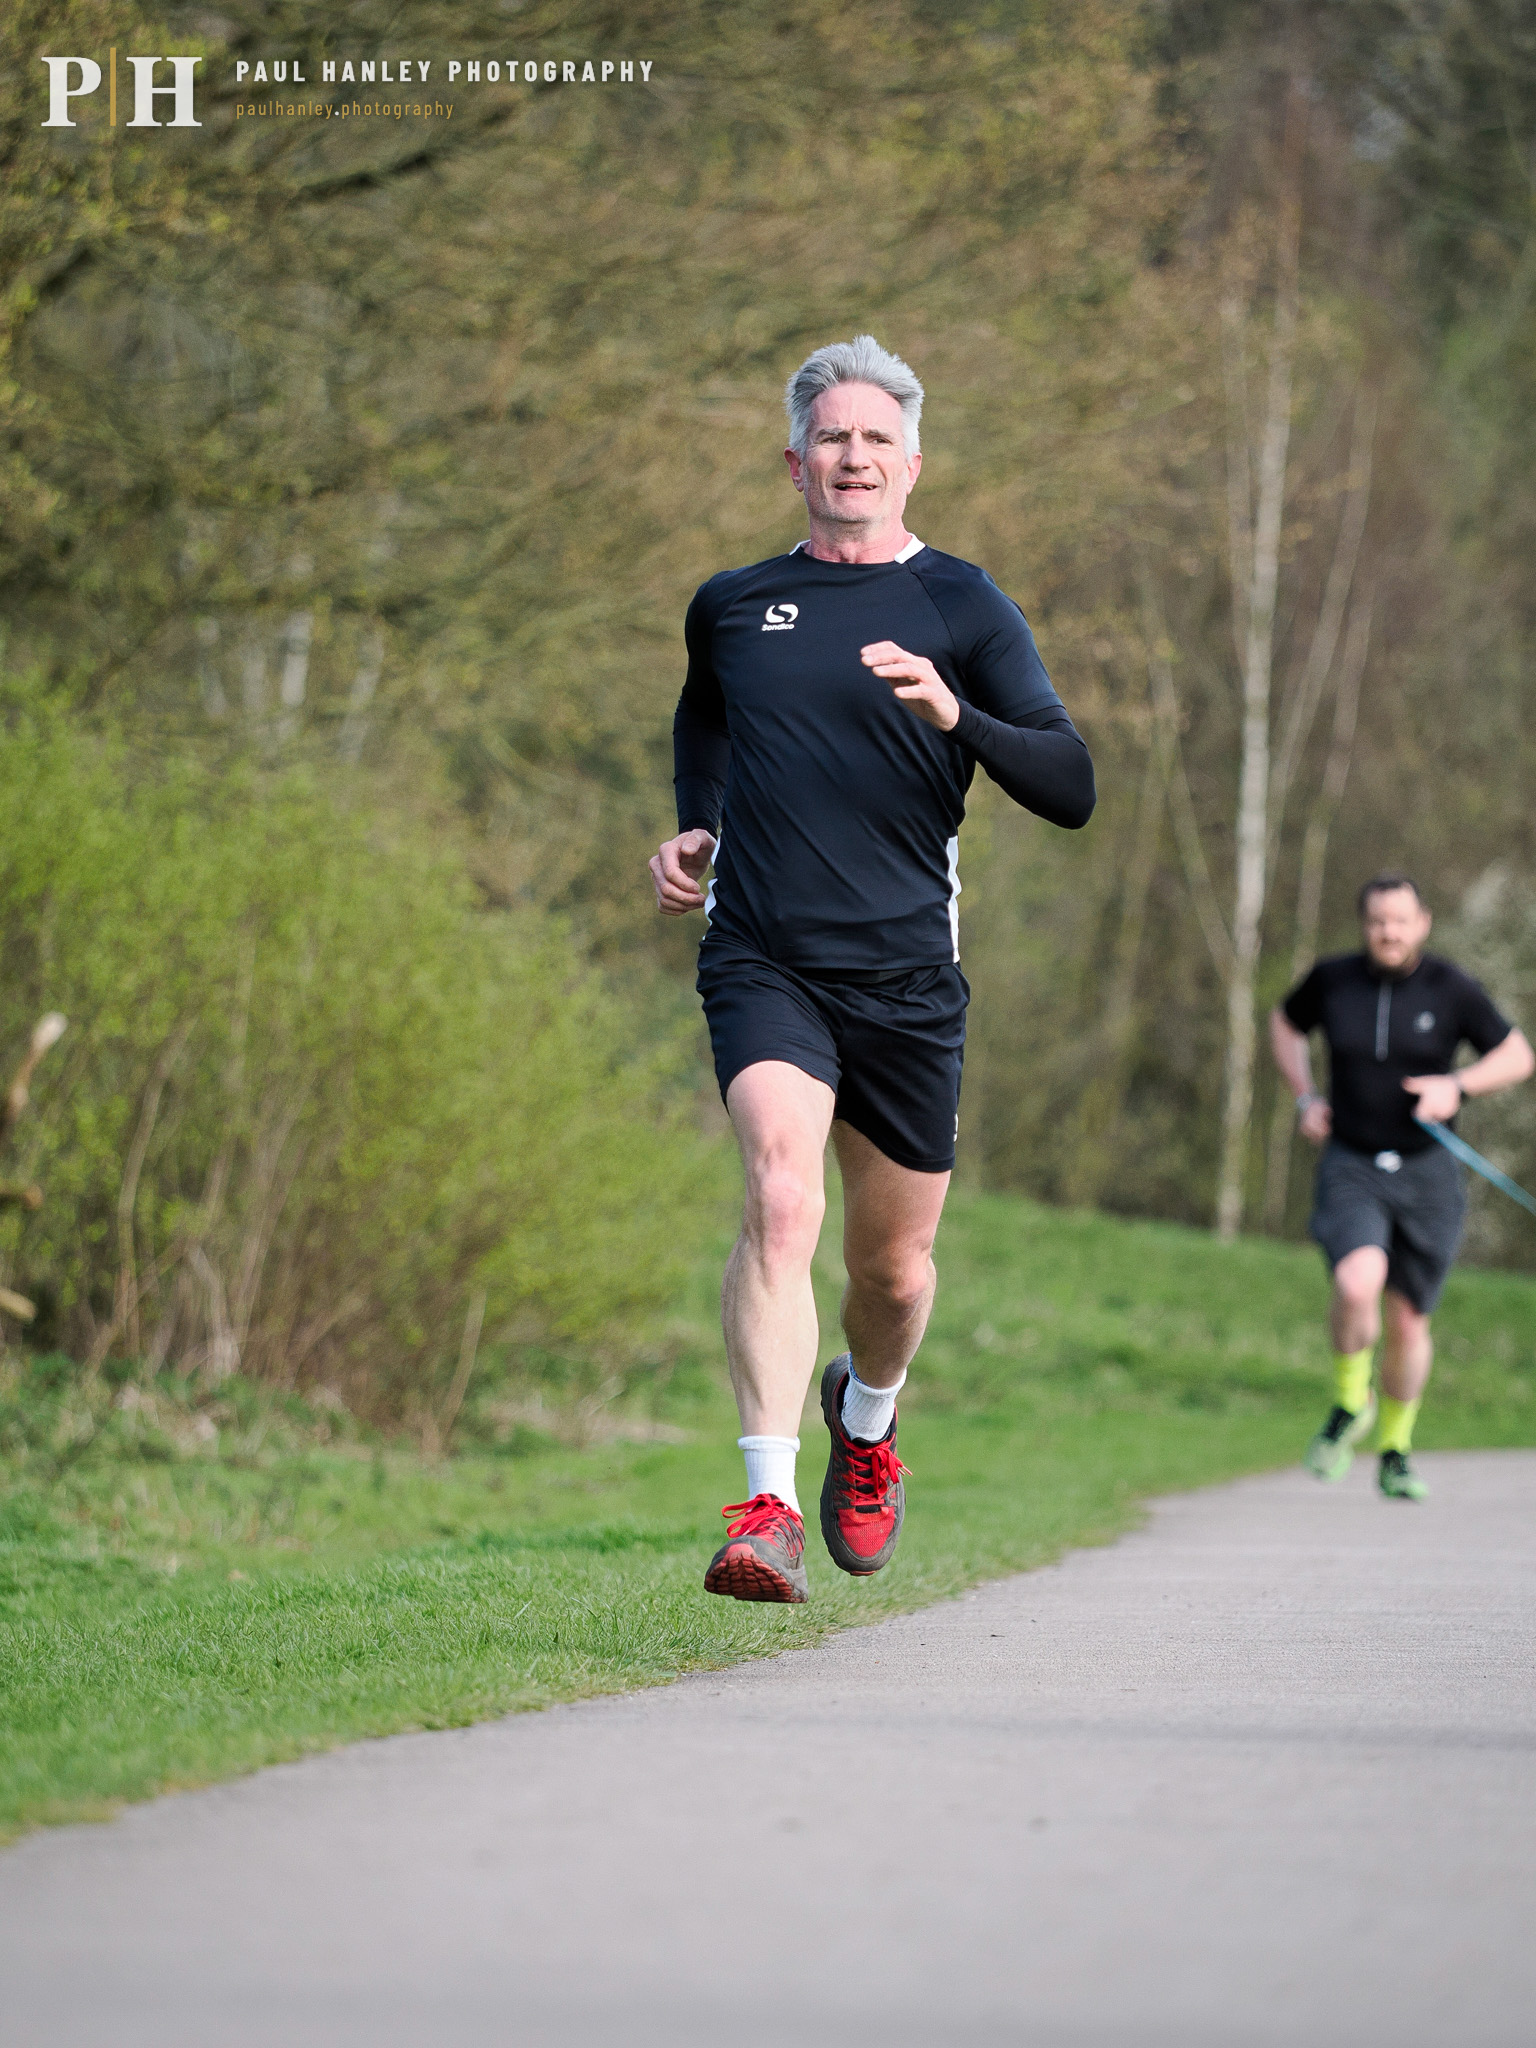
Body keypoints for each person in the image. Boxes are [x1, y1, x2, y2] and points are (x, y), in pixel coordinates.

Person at [649, 335, 1095, 1601]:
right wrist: (698, 815)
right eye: (832, 437)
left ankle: (870, 1414)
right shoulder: (733, 601)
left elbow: (1071, 784)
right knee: (781, 1202)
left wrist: (958, 714)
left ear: (913, 463)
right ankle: (768, 1506)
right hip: (764, 957)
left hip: (906, 978)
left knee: (891, 1276)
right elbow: (707, 712)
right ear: (796, 461)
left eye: (877, 439)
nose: (854, 456)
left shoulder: (960, 604)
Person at [1271, 873, 1534, 1499]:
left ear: (1423, 922)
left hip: (1427, 1172)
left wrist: (1458, 1087)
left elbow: (1519, 1055)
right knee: (1356, 1281)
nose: (1388, 931)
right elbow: (1285, 1025)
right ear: (1365, 926)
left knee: (1410, 1323)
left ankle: (1395, 1448)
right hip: (1352, 1162)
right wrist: (1305, 1095)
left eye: (1400, 920)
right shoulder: (1332, 980)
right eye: (1377, 921)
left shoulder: (1451, 987)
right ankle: (1347, 1402)